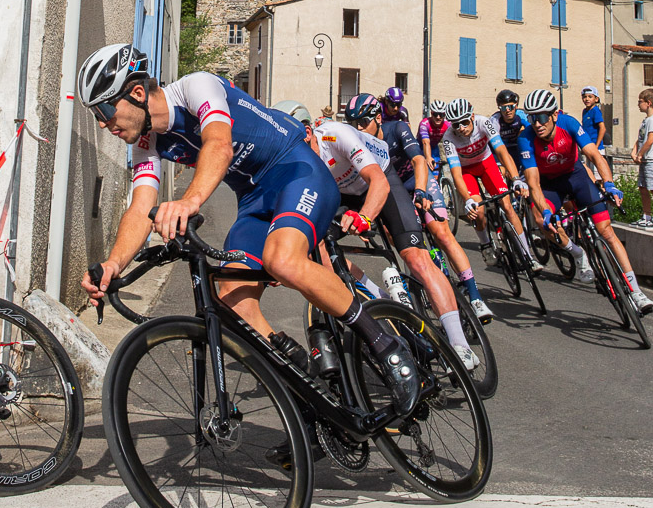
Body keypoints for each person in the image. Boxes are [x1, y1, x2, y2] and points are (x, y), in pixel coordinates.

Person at [77, 44, 422, 417]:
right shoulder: (147, 144)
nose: (102, 122)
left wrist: (189, 202)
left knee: (281, 260)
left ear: (138, 93)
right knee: (230, 299)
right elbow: (140, 206)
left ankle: (387, 346)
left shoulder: (196, 87)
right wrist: (114, 264)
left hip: (296, 170)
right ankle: (306, 389)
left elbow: (219, 145)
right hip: (255, 202)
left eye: (105, 109)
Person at [307, 93, 478, 368]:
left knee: (416, 258)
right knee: (318, 249)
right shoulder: (299, 159)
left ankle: (460, 345)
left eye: (363, 121)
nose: (358, 126)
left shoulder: (335, 135)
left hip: (381, 180)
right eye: (355, 121)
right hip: (344, 195)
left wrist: (365, 217)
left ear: (310, 133)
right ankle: (378, 296)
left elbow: (379, 183)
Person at [517, 89, 653, 314]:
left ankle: (636, 292)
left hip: (575, 176)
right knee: (542, 219)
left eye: (541, 117)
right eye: (532, 118)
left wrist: (608, 183)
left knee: (606, 231)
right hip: (550, 184)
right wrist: (546, 210)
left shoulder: (568, 123)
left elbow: (594, 155)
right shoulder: (526, 138)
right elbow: (533, 184)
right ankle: (577, 253)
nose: (537, 124)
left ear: (553, 115)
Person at [381, 99, 494, 323]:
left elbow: (420, 160)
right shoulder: (363, 145)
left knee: (442, 233)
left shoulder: (396, 129)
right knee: (404, 239)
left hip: (418, 180)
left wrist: (421, 191)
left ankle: (475, 296)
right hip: (397, 191)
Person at [440, 98, 542, 272]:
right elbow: (457, 174)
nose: (462, 128)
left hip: (487, 163)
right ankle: (485, 244)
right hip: (466, 171)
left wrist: (516, 178)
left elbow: (501, 151)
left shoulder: (483, 123)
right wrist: (467, 200)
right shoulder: (449, 138)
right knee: (478, 211)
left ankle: (527, 255)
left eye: (464, 122)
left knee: (508, 206)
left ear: (472, 116)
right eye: (456, 125)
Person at [629, 88, 653, 231]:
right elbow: (641, 139)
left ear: (648, 103)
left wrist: (640, 154)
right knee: (643, 187)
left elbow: (650, 140)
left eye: (640, 102)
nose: (638, 104)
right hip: (645, 160)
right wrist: (634, 151)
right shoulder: (646, 120)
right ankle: (646, 216)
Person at [490, 89, 529, 169]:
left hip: (515, 148)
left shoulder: (521, 115)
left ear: (516, 106)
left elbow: (530, 128)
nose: (508, 110)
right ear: (499, 108)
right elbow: (495, 141)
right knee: (502, 171)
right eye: (504, 108)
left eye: (511, 107)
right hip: (498, 149)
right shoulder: (495, 120)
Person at [416, 99, 448, 173]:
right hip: (420, 146)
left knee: (436, 172)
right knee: (421, 170)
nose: (438, 117)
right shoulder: (424, 123)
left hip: (434, 147)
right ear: (431, 113)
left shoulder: (447, 125)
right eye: (435, 114)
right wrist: (428, 157)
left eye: (441, 114)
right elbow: (425, 142)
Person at [580, 86, 606, 151]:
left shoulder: (595, 111)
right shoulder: (584, 111)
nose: (587, 99)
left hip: (596, 148)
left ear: (596, 99)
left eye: (590, 97)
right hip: (588, 146)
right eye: (584, 97)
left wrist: (596, 146)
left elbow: (602, 128)